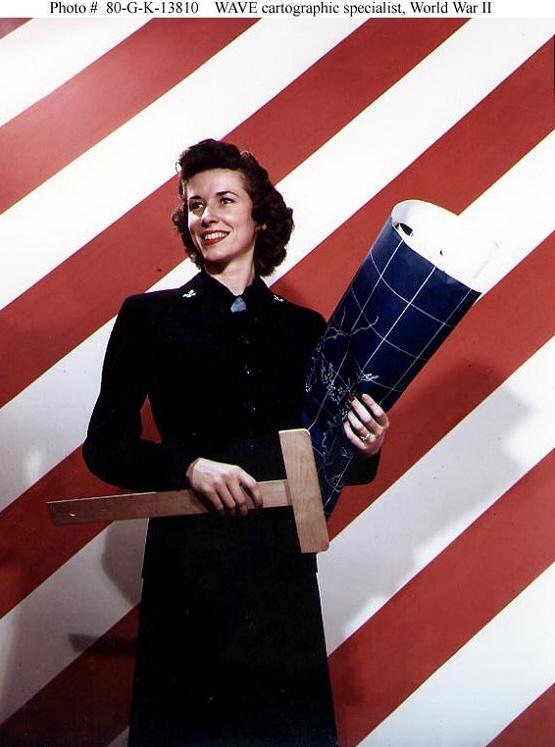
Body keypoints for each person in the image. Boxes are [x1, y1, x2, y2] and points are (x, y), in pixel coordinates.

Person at [83, 139, 389, 746]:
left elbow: (338, 467)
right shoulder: (148, 317)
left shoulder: (304, 329)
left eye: (225, 200)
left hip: (281, 574)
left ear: (260, 216)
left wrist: (367, 446)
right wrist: (188, 466)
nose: (207, 216)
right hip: (187, 575)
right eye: (195, 205)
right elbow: (105, 447)